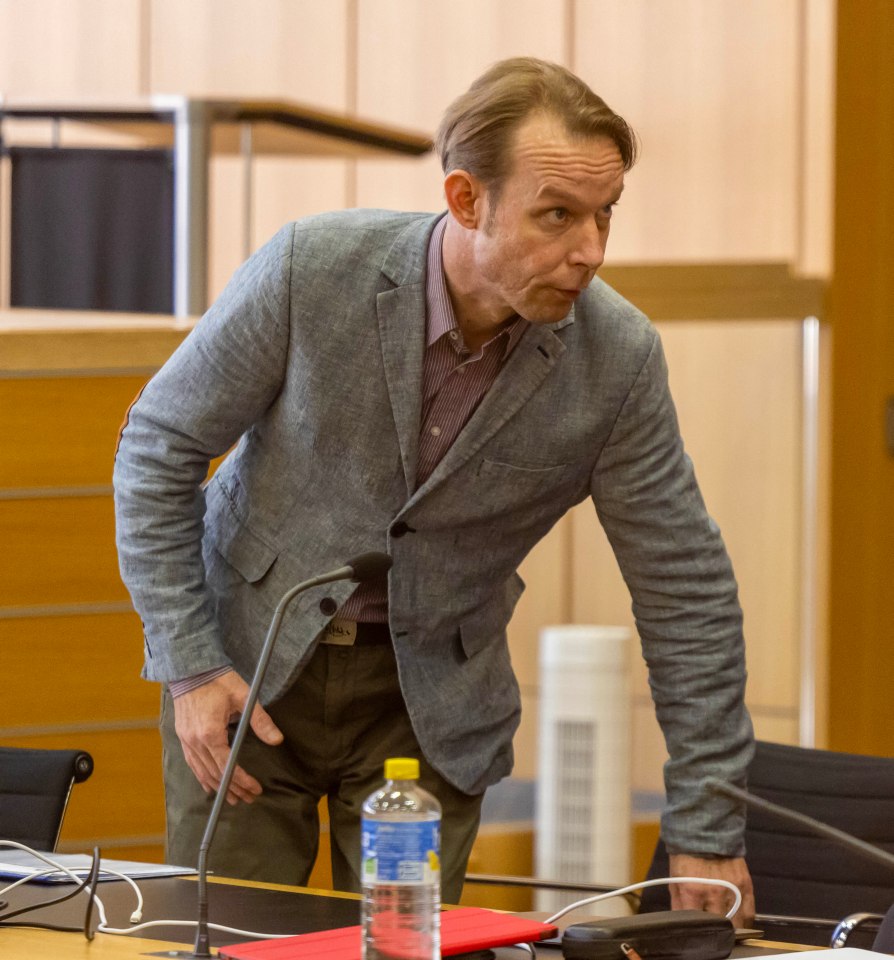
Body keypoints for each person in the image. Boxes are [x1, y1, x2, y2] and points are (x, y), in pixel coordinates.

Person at [113, 56, 755, 921]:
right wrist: (189, 664)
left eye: (605, 216)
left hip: (428, 708)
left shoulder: (619, 361)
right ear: (465, 200)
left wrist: (705, 826)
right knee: (227, 940)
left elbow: (687, 591)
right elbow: (157, 450)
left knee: (405, 951)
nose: (591, 252)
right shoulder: (312, 269)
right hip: (246, 675)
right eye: (557, 216)